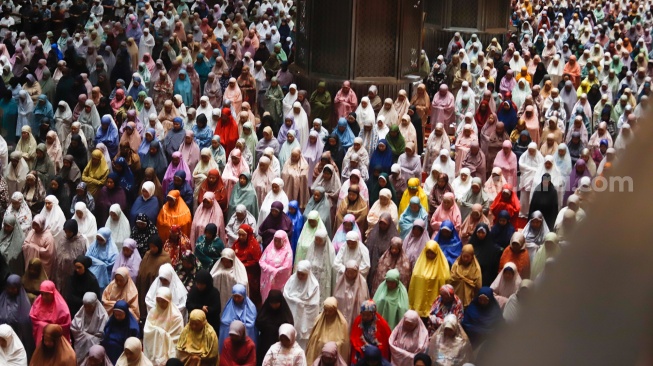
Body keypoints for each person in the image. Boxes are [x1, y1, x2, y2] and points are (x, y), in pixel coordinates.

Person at [283, 260, 321, 350]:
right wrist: (295, 302)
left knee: (302, 343)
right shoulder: (292, 280)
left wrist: (301, 304)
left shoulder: (314, 286)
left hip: (305, 319)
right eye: (299, 273)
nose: (300, 276)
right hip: (292, 315)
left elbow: (314, 304)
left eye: (303, 274)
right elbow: (286, 295)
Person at [408, 241, 451, 318]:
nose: (430, 255)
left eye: (432, 253)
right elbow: (414, 279)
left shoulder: (442, 265)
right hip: (420, 302)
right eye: (428, 253)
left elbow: (446, 278)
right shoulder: (419, 264)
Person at [143, 287, 184, 366]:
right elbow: (147, 330)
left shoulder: (176, 316)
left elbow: (177, 337)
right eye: (158, 301)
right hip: (153, 347)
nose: (161, 304)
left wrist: (160, 333)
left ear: (169, 301)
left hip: (168, 349)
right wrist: (159, 332)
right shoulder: (152, 312)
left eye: (164, 301)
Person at [305, 297, 350, 364]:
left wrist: (332, 346)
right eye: (325, 310)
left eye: (330, 311)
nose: (327, 313)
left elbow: (344, 342)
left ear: (335, 310)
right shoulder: (318, 320)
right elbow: (313, 338)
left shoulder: (342, 323)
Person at [136, 236, 172, 320]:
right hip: (144, 283)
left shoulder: (165, 257)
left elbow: (167, 273)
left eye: (154, 247)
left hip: (156, 284)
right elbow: (142, 267)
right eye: (150, 246)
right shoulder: (148, 254)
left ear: (159, 246)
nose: (152, 249)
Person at [256, 289, 294, 365]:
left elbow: (289, 327)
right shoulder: (264, 312)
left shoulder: (285, 314)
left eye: (276, 303)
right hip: (265, 343)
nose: (274, 306)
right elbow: (258, 323)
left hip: (281, 344)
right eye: (272, 303)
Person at [0, 275, 34, 357]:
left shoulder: (25, 302)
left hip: (20, 338)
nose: (11, 290)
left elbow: (26, 321)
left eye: (13, 288)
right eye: (9, 287)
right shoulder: (1, 300)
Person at [29, 281, 71, 346]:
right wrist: (43, 326)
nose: (44, 297)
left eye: (47, 294)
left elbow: (66, 325)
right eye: (42, 294)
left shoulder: (61, 306)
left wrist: (50, 328)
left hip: (56, 341)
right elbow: (33, 317)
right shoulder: (38, 301)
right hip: (41, 339)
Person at [71, 292, 109, 362]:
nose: (87, 308)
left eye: (90, 306)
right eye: (85, 306)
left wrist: (87, 337)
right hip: (80, 346)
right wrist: (87, 336)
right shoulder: (82, 311)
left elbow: (102, 336)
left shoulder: (103, 316)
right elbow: (74, 327)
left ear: (95, 304)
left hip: (94, 349)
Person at [219, 284, 258, 352]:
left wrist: (238, 327)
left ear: (244, 296)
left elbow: (251, 324)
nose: (236, 299)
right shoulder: (229, 306)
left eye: (239, 297)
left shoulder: (251, 307)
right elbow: (224, 322)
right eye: (234, 296)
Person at [260, 230, 293, 301]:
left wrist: (274, 271)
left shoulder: (287, 252)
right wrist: (270, 269)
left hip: (278, 282)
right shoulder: (269, 248)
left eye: (279, 241)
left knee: (276, 299)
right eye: (275, 240)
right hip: (267, 279)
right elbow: (261, 261)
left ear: (284, 241)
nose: (276, 243)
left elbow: (287, 267)